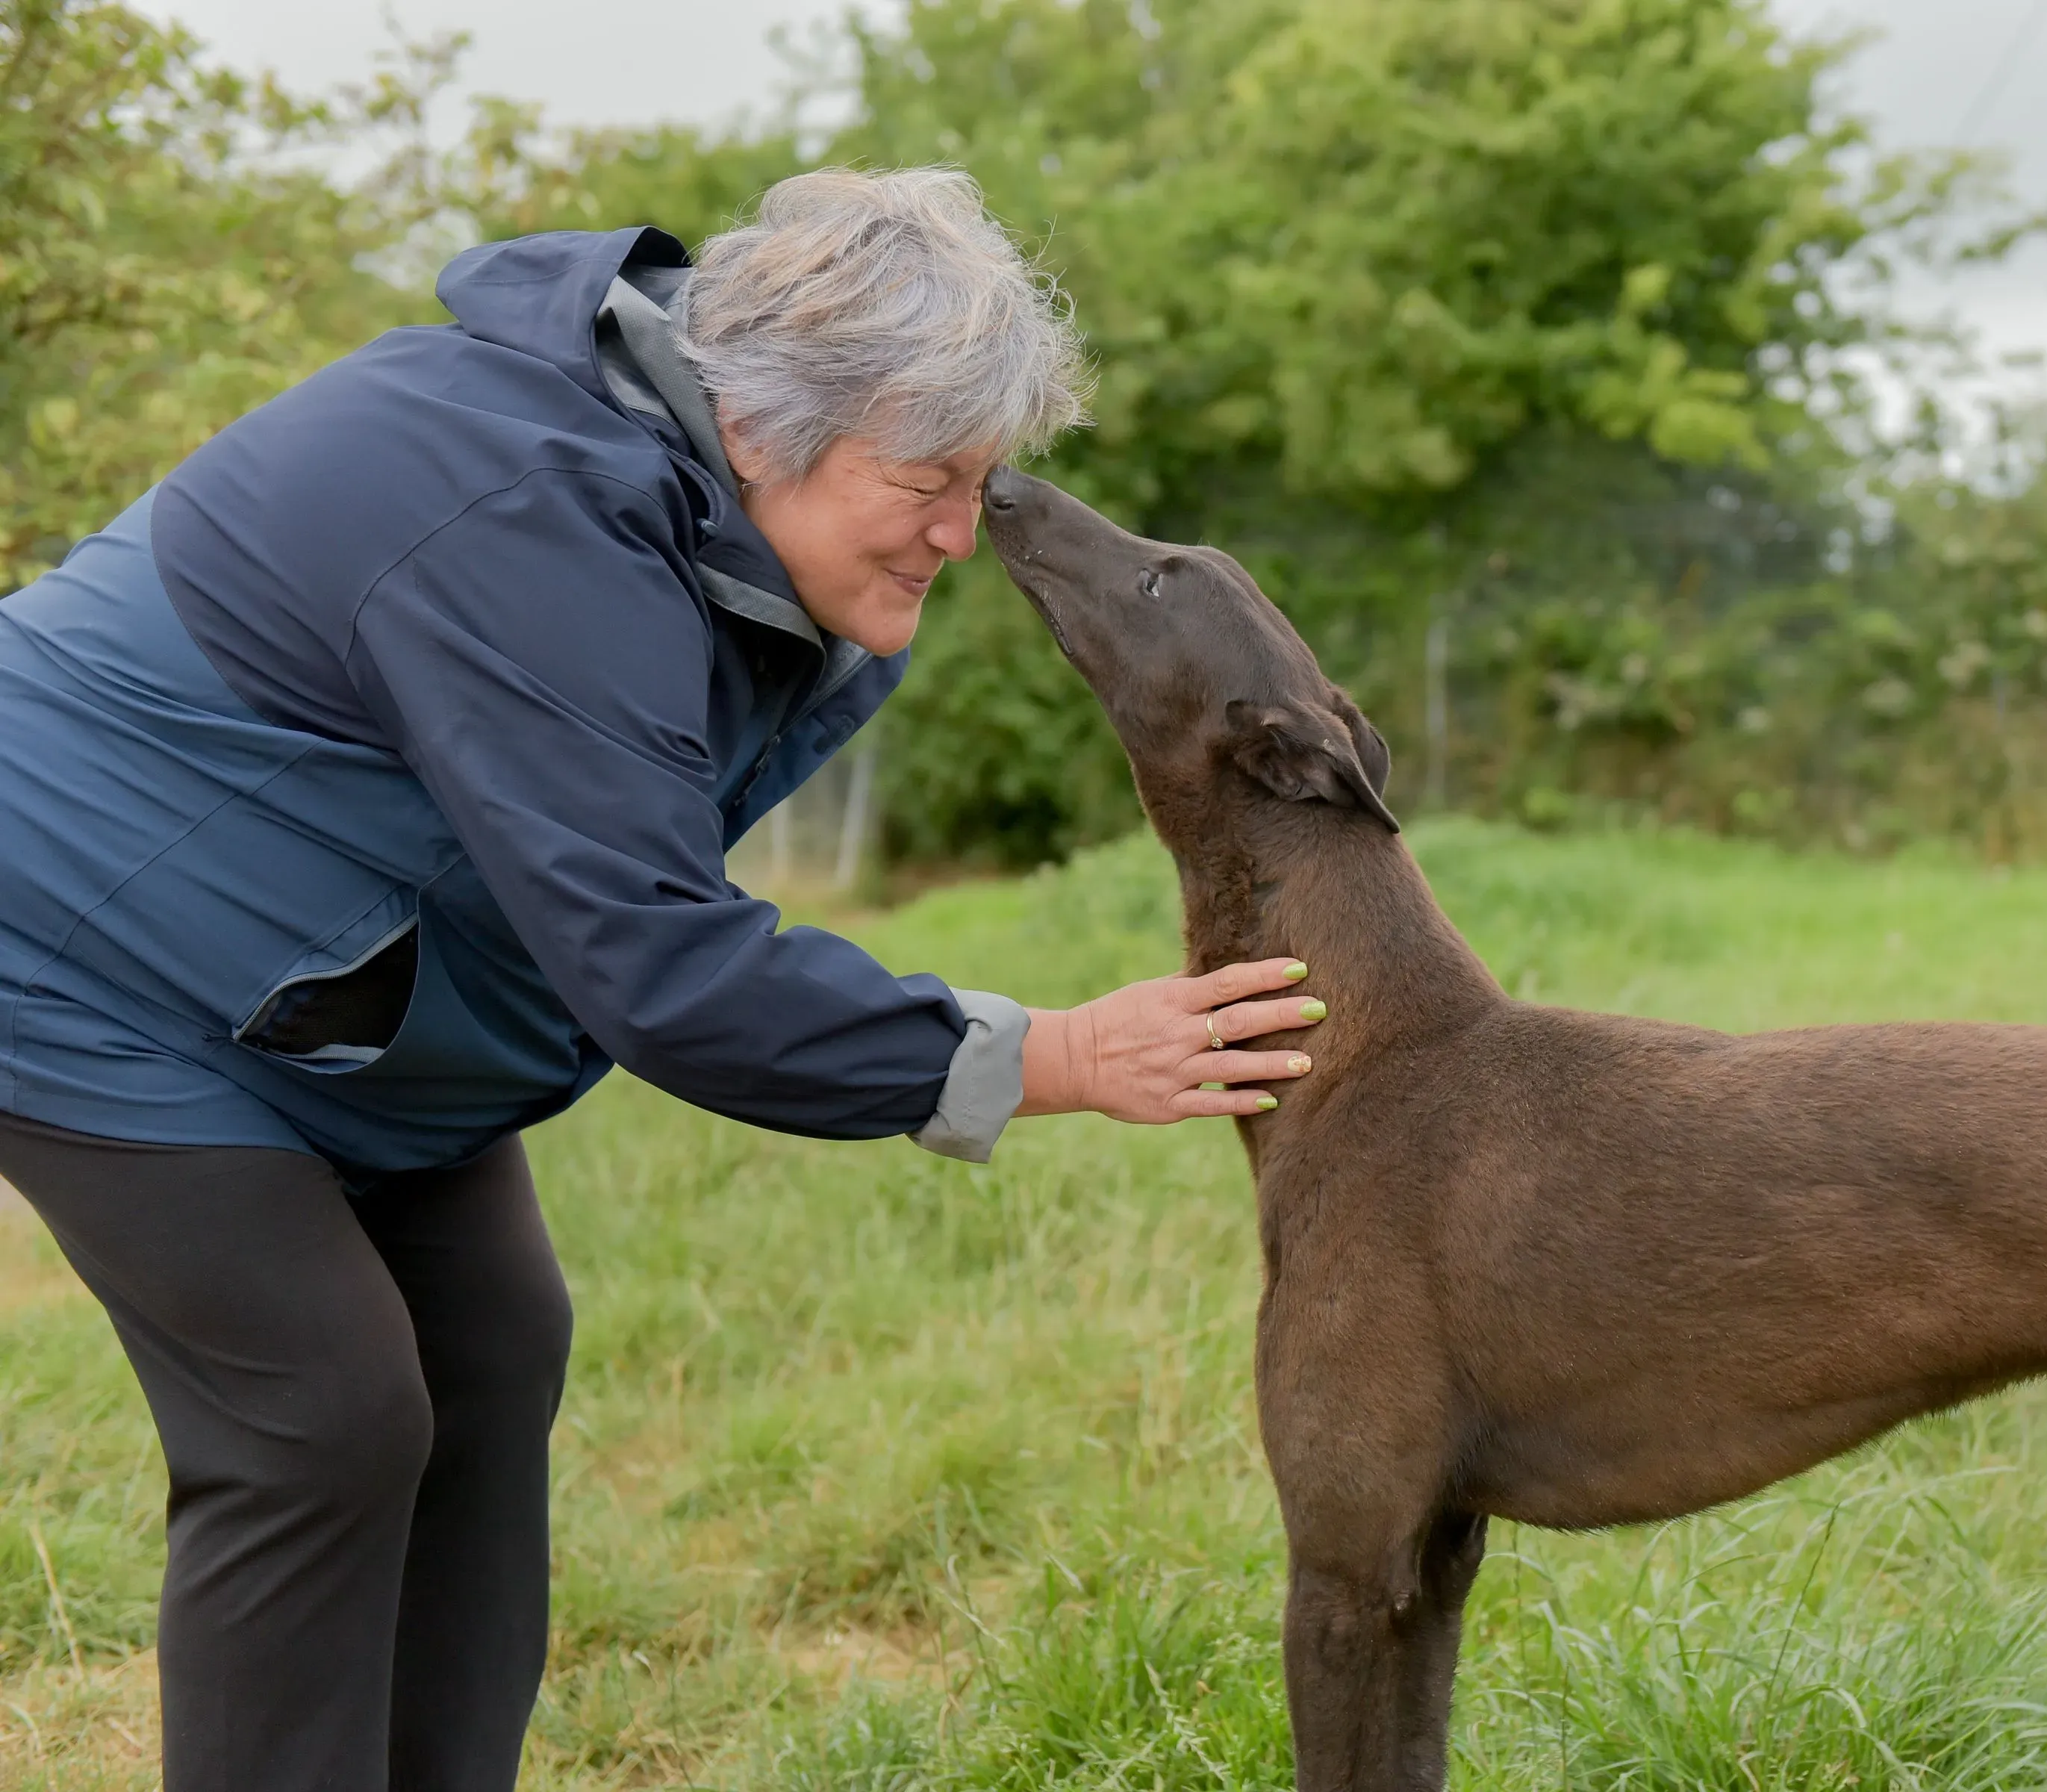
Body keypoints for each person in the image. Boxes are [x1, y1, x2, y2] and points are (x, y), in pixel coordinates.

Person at [0, 167, 1324, 1791]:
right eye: (930, 476)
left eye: (983, 481)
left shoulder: (705, 508)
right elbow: (654, 957)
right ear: (766, 422)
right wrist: (1042, 1054)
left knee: (492, 1346)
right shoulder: (524, 507)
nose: (963, 535)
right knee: (319, 1413)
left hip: (322, 985)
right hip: (70, 949)